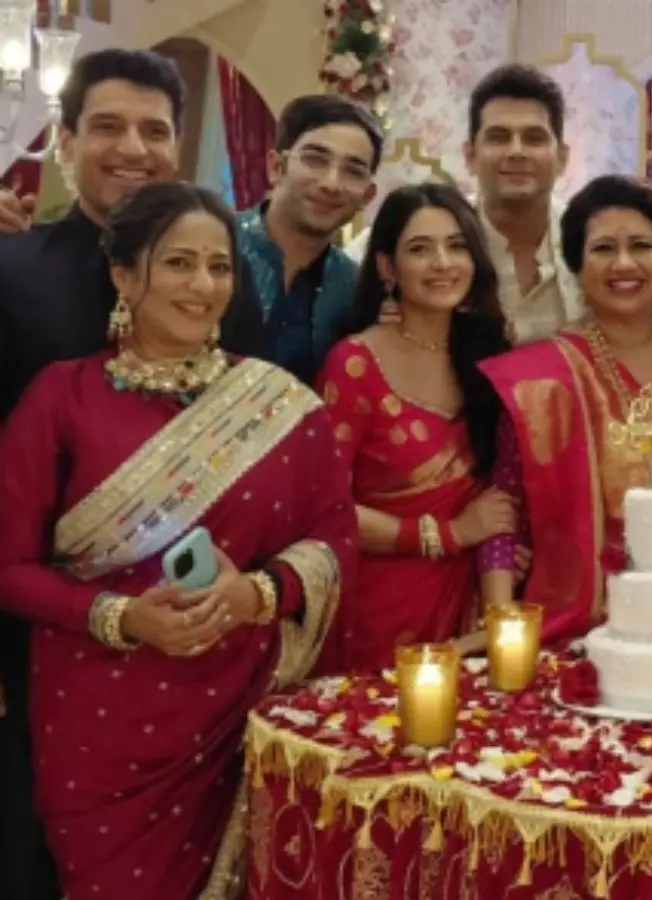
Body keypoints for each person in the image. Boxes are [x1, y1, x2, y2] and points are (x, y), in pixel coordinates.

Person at [0, 181, 355, 900]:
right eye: (178, 263)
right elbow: (8, 565)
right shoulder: (62, 398)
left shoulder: (278, 404)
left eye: (219, 266)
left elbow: (335, 537)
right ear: (123, 276)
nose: (203, 286)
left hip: (240, 714)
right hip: (99, 725)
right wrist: (122, 617)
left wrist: (256, 594)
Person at [0, 48, 265, 900]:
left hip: (193, 631)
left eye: (154, 131)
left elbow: (251, 438)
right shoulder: (11, 273)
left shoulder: (223, 284)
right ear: (66, 140)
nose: (133, 148)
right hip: (36, 628)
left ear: (178, 146)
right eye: (107, 127)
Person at [475, 175, 652, 642]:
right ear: (576, 265)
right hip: (574, 633)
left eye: (642, 246)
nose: (624, 263)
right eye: (604, 248)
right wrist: (502, 628)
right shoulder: (539, 377)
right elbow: (502, 517)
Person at [317, 183, 513, 673]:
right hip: (379, 614)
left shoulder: (489, 357)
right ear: (388, 268)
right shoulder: (355, 363)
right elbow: (325, 509)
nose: (442, 263)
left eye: (457, 246)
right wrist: (448, 534)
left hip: (471, 609)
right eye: (420, 249)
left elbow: (501, 491)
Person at [347, 64, 585, 345]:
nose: (516, 151)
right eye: (498, 137)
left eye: (534, 138)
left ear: (562, 158)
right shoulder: (425, 229)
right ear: (470, 156)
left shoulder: (589, 240)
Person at [239, 93, 383, 384]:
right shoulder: (213, 246)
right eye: (315, 160)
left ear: (367, 197)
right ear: (276, 168)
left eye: (353, 171)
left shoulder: (355, 290)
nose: (331, 183)